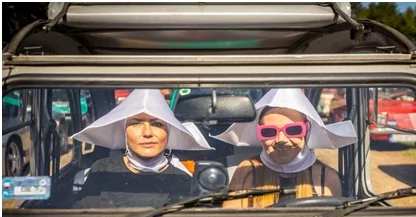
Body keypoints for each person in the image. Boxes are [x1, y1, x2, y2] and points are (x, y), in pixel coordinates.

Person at [214, 88, 357, 207]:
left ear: (306, 130)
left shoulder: (326, 177)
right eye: (269, 132)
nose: (281, 140)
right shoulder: (247, 170)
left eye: (293, 130)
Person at [72, 88, 212, 208]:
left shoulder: (182, 179)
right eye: (136, 123)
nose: (147, 133)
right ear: (124, 131)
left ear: (168, 132)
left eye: (157, 124)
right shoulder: (102, 170)